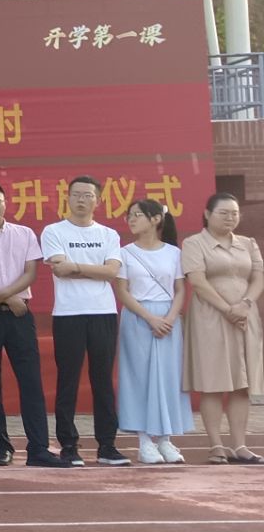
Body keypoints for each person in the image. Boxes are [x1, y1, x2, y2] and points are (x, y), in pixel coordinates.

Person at [0, 183, 68, 467]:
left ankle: (38, 448)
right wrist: (6, 298)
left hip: (20, 314)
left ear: (5, 203)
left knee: (31, 381)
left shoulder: (25, 233)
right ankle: (1, 447)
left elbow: (30, 273)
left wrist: (7, 297)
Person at [40, 176, 126, 466]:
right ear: (68, 198)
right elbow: (59, 270)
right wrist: (94, 269)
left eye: (88, 195)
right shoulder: (54, 231)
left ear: (97, 201)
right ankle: (68, 445)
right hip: (68, 314)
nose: (81, 200)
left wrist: (75, 265)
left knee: (103, 380)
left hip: (103, 313)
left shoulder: (109, 234)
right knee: (68, 380)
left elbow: (111, 272)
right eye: (76, 194)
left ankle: (107, 446)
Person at [182, 192, 264, 464]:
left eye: (234, 213)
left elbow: (258, 277)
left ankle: (240, 445)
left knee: (242, 384)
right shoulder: (194, 243)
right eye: (224, 213)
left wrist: (245, 304)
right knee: (213, 382)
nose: (230, 218)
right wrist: (228, 309)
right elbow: (198, 281)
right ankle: (216, 445)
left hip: (245, 317)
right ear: (207, 214)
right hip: (210, 318)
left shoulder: (248, 243)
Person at [114, 200, 191, 464]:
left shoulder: (174, 253)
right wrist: (150, 318)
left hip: (169, 321)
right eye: (129, 216)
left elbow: (180, 290)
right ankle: (145, 441)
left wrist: (169, 318)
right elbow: (122, 291)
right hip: (138, 318)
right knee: (139, 378)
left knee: (168, 377)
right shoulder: (124, 253)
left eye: (137, 215)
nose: (131, 220)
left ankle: (165, 439)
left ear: (156, 219)